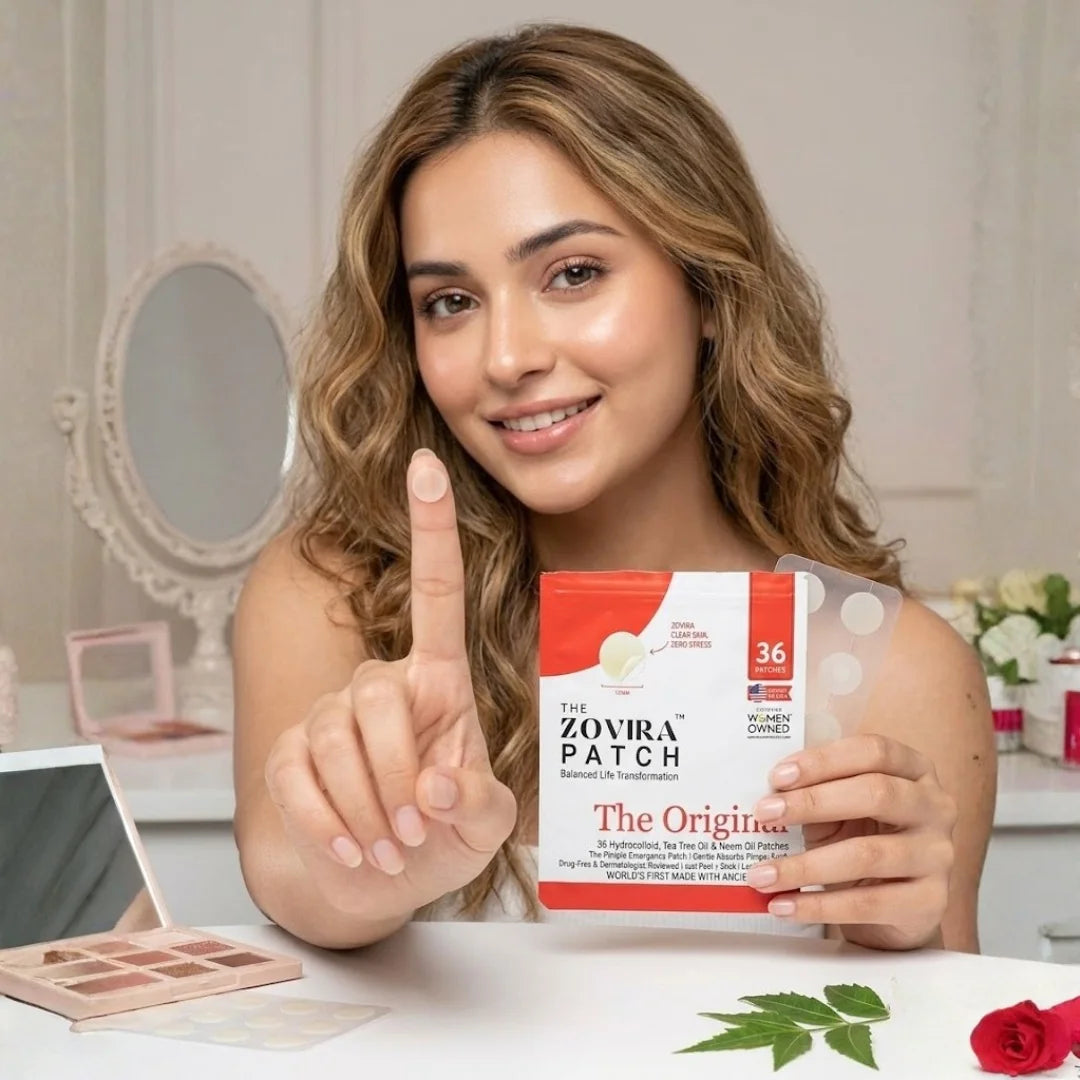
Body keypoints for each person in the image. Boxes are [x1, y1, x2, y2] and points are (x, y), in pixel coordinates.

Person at [232, 22, 996, 956]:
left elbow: (945, 1042)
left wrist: (905, 942)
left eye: (575, 273)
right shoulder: (333, 594)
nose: (507, 358)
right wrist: (361, 868)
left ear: (710, 288)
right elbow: (283, 871)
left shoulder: (892, 667)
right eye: (450, 302)